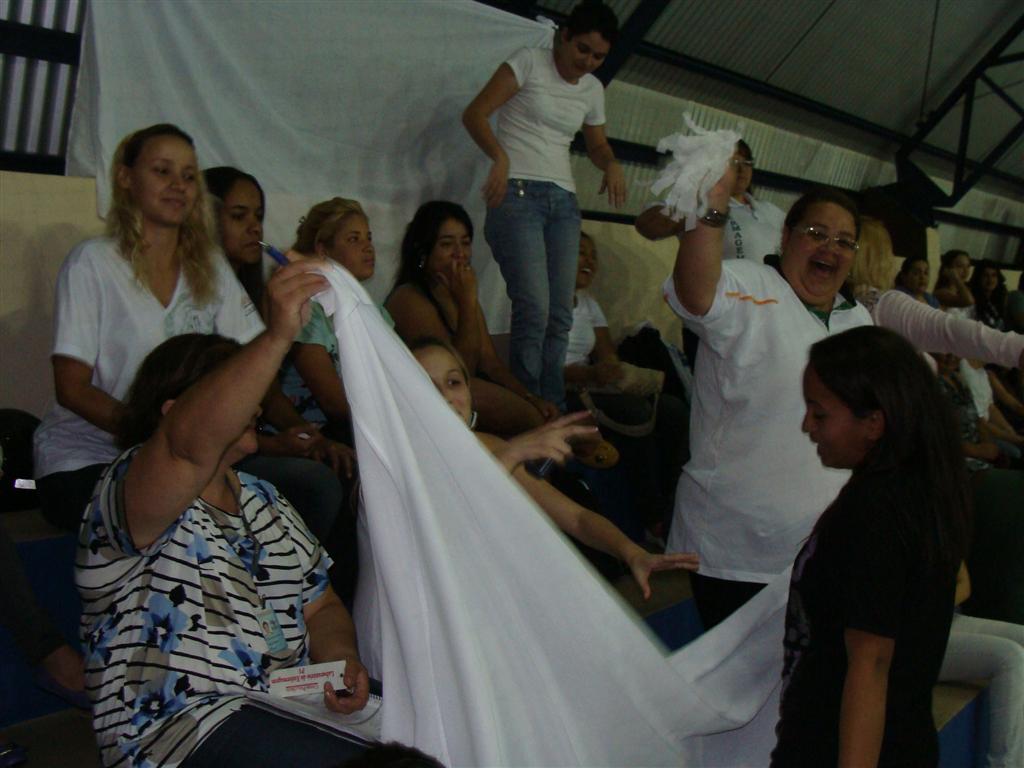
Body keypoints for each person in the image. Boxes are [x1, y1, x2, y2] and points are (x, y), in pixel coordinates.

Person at [77, 261, 372, 768]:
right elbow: (186, 448)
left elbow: (320, 605)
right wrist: (275, 337)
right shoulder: (128, 488)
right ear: (174, 410)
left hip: (289, 706)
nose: (255, 399)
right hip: (179, 730)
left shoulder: (265, 497)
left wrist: (341, 660)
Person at [663, 167, 872, 629]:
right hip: (736, 552)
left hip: (826, 549)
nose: (830, 248)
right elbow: (695, 294)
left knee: (808, 672)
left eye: (844, 242)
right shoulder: (749, 285)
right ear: (786, 235)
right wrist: (711, 209)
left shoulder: (858, 319)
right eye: (816, 234)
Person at [32, 124, 263, 532]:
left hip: (189, 457)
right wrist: (161, 439)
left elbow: (246, 364)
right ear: (126, 178)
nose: (178, 185)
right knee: (192, 518)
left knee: (303, 490)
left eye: (188, 176)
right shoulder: (93, 263)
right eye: (162, 171)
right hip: (88, 459)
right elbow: (72, 388)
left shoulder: (211, 268)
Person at [772, 326, 970, 767]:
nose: (807, 426)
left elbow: (871, 664)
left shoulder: (876, 512)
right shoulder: (921, 490)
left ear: (874, 423)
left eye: (819, 414)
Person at [411, 337, 697, 600]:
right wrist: (510, 455)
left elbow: (577, 518)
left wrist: (632, 552)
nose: (446, 396)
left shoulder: (491, 447)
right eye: (427, 385)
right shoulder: (402, 466)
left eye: (453, 382)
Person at [463, 0, 626, 409]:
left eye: (598, 57)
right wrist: (500, 157)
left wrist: (611, 164)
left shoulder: (592, 89)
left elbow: (597, 144)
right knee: (534, 307)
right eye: (583, 49)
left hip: (563, 201)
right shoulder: (529, 62)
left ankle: (551, 404)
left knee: (559, 313)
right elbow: (475, 114)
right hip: (518, 195)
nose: (588, 62)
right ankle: (529, 403)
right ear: (563, 36)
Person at [204, 166, 354, 543]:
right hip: (219, 447)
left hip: (251, 438)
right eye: (239, 216)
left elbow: (266, 391)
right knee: (320, 482)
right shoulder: (199, 292)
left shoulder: (247, 293)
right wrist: (278, 443)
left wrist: (305, 437)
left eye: (258, 216)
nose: (254, 227)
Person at [387, 201, 558, 435]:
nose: (459, 253)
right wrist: (467, 302)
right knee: (530, 421)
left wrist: (530, 398)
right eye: (447, 244)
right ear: (423, 250)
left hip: (464, 389)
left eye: (465, 243)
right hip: (431, 398)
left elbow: (491, 363)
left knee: (541, 416)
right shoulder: (409, 298)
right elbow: (459, 370)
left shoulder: (461, 293)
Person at [565, 232, 689, 529]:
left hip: (591, 383)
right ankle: (650, 516)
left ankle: (673, 507)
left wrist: (610, 369)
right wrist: (591, 374)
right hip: (566, 387)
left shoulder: (588, 303)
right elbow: (542, 368)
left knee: (673, 410)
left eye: (593, 256)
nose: (589, 261)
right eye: (581, 253)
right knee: (636, 413)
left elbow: (607, 354)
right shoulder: (541, 301)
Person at [277, 197, 384, 441]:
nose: (368, 247)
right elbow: (333, 403)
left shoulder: (376, 311)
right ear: (323, 251)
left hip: (363, 428)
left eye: (369, 237)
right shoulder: (308, 309)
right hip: (315, 436)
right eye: (354, 239)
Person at [634, 140, 785, 263]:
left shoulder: (771, 211)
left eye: (746, 162)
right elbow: (648, 226)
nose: (741, 169)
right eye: (732, 162)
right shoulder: (698, 204)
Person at [933, 249, 975, 317]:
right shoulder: (941, 293)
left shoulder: (964, 291)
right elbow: (968, 301)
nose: (966, 271)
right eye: (960, 266)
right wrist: (956, 279)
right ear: (948, 268)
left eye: (968, 266)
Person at [969, 260, 1009, 330]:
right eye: (985, 275)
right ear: (978, 278)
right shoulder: (971, 298)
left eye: (994, 275)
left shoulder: (1000, 297)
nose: (990, 279)